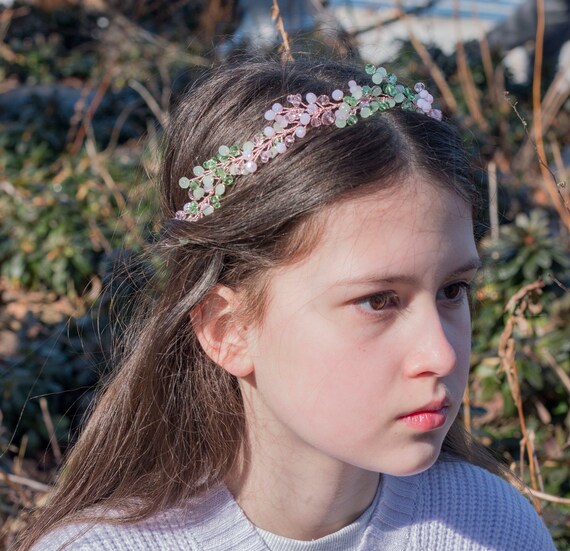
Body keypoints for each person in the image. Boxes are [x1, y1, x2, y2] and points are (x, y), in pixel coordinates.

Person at [21, 58, 556, 550]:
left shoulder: (492, 527)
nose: (440, 354)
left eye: (452, 290)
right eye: (378, 301)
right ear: (229, 330)